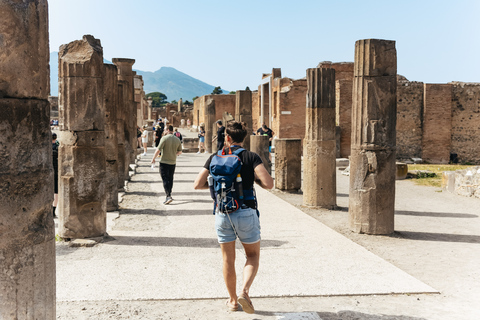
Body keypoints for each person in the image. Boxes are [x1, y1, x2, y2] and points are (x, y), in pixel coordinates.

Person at [193, 121, 274, 314]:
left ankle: (232, 301)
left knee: (228, 259)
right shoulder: (250, 157)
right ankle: (244, 292)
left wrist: (214, 189)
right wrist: (254, 182)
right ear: (244, 138)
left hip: (222, 213)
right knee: (252, 256)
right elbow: (269, 184)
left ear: (227, 137)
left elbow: (197, 184)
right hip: (246, 211)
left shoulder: (215, 156)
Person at [151, 125, 182, 205]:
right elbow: (180, 152)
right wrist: (173, 154)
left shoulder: (164, 138)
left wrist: (153, 158)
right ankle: (169, 194)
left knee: (165, 179)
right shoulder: (177, 139)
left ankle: (168, 196)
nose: (164, 131)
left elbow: (158, 149)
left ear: (168, 130)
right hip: (173, 162)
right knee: (170, 178)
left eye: (165, 130)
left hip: (164, 162)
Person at [52, 132, 59, 218]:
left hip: (49, 171)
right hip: (57, 171)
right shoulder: (58, 147)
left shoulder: (47, 148)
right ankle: (53, 211)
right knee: (56, 192)